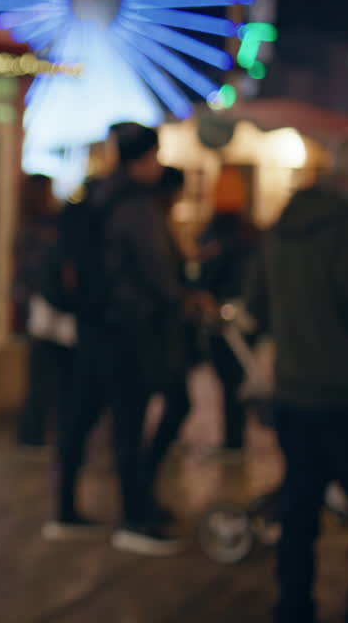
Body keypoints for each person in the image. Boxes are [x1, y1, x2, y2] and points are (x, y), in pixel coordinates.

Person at [245, 134, 348, 623]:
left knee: (299, 508)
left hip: (293, 390)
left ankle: (293, 606)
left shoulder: (283, 223)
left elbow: (256, 305)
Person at [43, 122, 184, 556]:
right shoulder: (137, 205)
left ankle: (65, 512)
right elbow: (156, 268)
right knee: (128, 425)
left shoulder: (95, 195)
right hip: (127, 328)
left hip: (91, 324)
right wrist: (181, 299)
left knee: (80, 419)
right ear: (145, 157)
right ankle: (135, 520)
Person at [197, 168, 259, 456]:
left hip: (222, 315)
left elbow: (208, 274)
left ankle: (234, 439)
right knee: (238, 377)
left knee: (228, 380)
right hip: (245, 315)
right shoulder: (250, 233)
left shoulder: (215, 235)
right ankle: (237, 437)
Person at [143, 166, 195, 500]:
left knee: (174, 404)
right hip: (155, 335)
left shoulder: (157, 223)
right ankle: (141, 488)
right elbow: (162, 281)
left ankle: (143, 488)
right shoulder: (152, 224)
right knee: (175, 403)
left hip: (159, 334)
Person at [14, 173, 75, 449]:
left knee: (40, 373)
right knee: (49, 373)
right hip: (48, 306)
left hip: (37, 305)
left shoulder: (27, 226)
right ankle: (38, 432)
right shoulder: (48, 229)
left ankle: (33, 432)